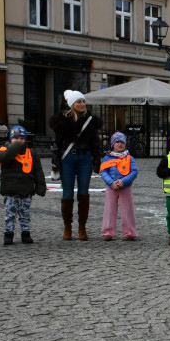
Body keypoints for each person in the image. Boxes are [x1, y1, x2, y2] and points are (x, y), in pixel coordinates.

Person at [49, 89, 101, 241]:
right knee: (67, 193)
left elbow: (96, 143)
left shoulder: (90, 121)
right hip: (68, 159)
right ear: (72, 104)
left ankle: (82, 227)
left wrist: (96, 161)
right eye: (79, 101)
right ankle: (68, 226)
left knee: (83, 193)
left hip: (84, 158)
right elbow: (55, 144)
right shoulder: (61, 121)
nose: (83, 104)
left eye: (84, 101)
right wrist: (56, 163)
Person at [0, 125, 46, 245]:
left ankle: (25, 233)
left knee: (25, 214)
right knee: (10, 214)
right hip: (10, 189)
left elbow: (38, 170)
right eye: (16, 138)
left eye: (22, 138)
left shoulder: (31, 153)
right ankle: (8, 234)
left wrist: (40, 186)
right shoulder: (3, 150)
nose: (19, 141)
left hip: (26, 189)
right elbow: (4, 159)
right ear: (11, 139)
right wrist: (15, 147)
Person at [99, 132, 139, 241]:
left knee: (127, 210)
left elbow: (134, 172)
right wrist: (111, 183)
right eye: (117, 142)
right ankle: (108, 232)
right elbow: (103, 171)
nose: (120, 144)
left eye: (122, 142)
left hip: (125, 187)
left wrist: (123, 181)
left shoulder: (129, 158)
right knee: (109, 210)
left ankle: (129, 232)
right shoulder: (107, 158)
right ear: (112, 144)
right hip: (111, 187)